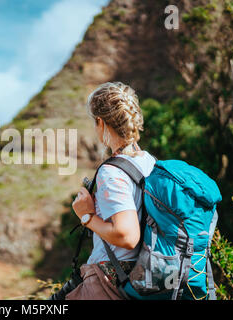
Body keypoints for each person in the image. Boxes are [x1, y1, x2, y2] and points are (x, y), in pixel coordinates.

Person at [67, 82, 156, 300]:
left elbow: (126, 236)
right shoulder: (150, 162)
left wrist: (86, 216)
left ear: (100, 122)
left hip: (109, 282)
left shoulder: (111, 171)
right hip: (145, 276)